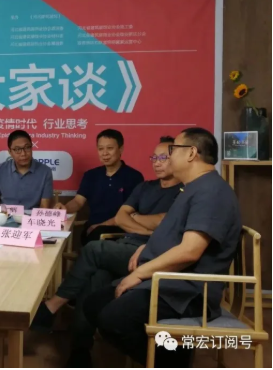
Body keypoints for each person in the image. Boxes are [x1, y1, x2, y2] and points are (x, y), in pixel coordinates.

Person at [81, 127, 241, 367]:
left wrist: (139, 273)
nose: (168, 156)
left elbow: (190, 251)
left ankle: (171, 362)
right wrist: (146, 248)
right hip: (166, 280)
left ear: (191, 153)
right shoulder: (192, 187)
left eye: (173, 149)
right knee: (94, 304)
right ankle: (170, 358)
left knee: (114, 318)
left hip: (187, 291)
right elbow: (172, 234)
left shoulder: (211, 191)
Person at [31, 136, 182, 365]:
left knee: (93, 249)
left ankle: (53, 305)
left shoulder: (183, 192)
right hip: (125, 245)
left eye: (164, 158)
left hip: (152, 254)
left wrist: (138, 221)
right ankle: (80, 352)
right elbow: (121, 217)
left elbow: (164, 221)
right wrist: (146, 225)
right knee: (95, 279)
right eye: (155, 157)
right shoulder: (145, 187)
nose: (158, 162)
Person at [55, 129, 144, 245]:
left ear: (121, 149)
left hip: (119, 230)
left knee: (95, 235)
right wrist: (65, 208)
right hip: (93, 228)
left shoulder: (134, 177)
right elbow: (78, 201)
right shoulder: (91, 175)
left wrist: (101, 225)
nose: (105, 153)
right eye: (101, 149)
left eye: (110, 148)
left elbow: (132, 213)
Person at [0, 130, 53, 210]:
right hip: (5, 215)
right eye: (17, 149)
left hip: (32, 217)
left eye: (27, 147)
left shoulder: (45, 172)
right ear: (10, 152)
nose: (23, 154)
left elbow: (44, 207)